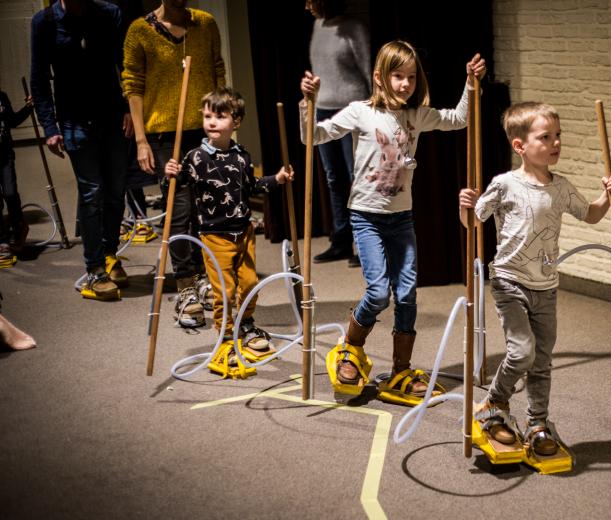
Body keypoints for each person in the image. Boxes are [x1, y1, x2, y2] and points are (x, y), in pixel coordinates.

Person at [299, 40, 485, 403]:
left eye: (411, 78)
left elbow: (459, 119)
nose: (405, 84)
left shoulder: (416, 116)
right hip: (366, 216)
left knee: (406, 293)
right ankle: (352, 346)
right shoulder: (360, 112)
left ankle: (401, 368)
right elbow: (313, 136)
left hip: (401, 218)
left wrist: (470, 84)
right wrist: (308, 102)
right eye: (397, 76)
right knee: (378, 291)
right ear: (379, 77)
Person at [458, 102, 611, 456]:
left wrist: (606, 196)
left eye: (558, 136)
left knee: (542, 360)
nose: (555, 143)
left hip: (546, 286)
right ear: (520, 146)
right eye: (545, 137)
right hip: (509, 280)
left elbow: (591, 215)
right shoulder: (504, 184)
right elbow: (473, 223)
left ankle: (537, 422)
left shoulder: (561, 187)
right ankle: (495, 402)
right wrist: (465, 205)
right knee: (521, 352)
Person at [164, 87, 292, 353]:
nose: (212, 121)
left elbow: (253, 186)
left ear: (236, 122)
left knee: (249, 284)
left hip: (243, 233)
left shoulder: (241, 156)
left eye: (220, 116)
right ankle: (225, 336)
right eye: (208, 115)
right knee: (223, 290)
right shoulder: (195, 158)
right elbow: (173, 189)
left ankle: (245, 324)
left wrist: (277, 180)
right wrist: (170, 175)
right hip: (215, 236)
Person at [123, 0, 226, 326]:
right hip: (166, 134)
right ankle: (185, 283)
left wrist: (222, 123)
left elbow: (217, 70)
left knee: (208, 206)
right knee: (180, 209)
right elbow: (133, 85)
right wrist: (141, 140)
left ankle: (206, 277)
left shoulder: (205, 24)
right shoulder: (140, 31)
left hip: (207, 129)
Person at [30, 0, 133, 300]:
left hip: (113, 116)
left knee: (116, 190)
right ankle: (95, 269)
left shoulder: (109, 13)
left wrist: (129, 108)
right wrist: (50, 127)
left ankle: (110, 254)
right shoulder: (45, 22)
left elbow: (124, 65)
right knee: (92, 193)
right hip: (75, 120)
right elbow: (39, 79)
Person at [305, 0, 370, 266]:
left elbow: (367, 69)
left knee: (358, 176)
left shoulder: (354, 28)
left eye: (310, 1)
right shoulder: (317, 25)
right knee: (334, 178)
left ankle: (364, 244)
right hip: (323, 110)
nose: (307, 6)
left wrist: (375, 107)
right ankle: (341, 241)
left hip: (353, 109)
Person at [0, 89, 34, 265]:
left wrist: (29, 108)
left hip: (4, 155)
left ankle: (18, 228)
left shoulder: (2, 96)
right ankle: (2, 240)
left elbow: (12, 121)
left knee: (11, 193)